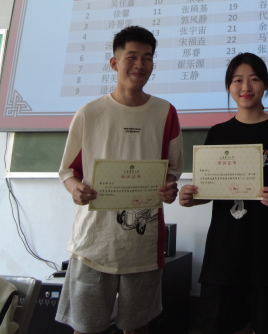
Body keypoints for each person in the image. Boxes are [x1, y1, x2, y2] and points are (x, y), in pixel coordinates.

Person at [56, 26, 183, 334]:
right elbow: (68, 172)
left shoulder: (165, 112)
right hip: (94, 243)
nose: (140, 64)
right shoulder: (89, 113)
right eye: (132, 57)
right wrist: (76, 190)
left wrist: (169, 188)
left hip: (142, 243)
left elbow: (173, 170)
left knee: (137, 327)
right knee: (85, 327)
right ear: (114, 63)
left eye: (147, 58)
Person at [179, 52, 268, 334]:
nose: (246, 87)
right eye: (238, 80)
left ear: (265, 84)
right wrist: (192, 196)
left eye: (254, 79)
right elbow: (210, 187)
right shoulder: (218, 133)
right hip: (225, 251)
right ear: (228, 86)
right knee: (218, 325)